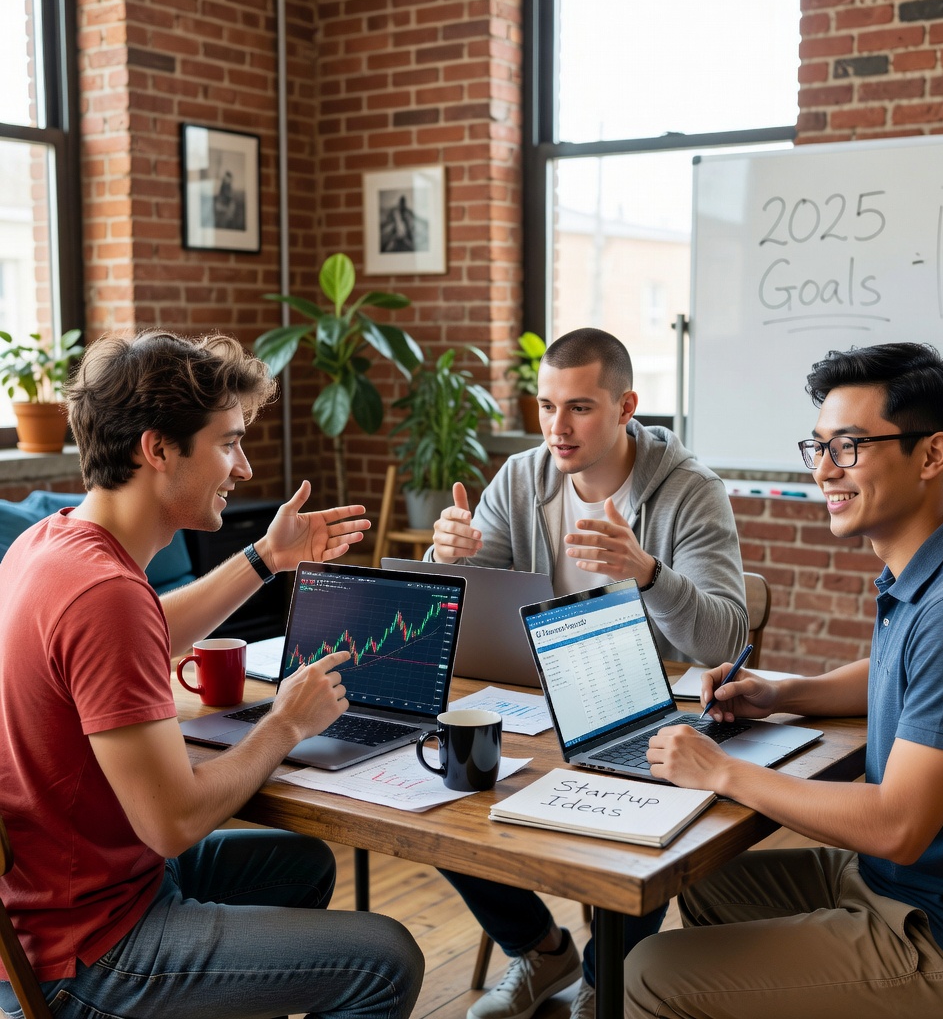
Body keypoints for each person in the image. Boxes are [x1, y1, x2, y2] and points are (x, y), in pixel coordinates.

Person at [0, 331, 424, 1019]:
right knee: (386, 961)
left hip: (70, 899)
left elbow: (146, 637)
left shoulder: (51, 544)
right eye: (227, 442)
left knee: (302, 864)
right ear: (158, 449)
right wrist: (284, 723)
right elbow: (173, 822)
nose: (246, 468)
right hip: (87, 950)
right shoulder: (102, 594)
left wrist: (264, 557)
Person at [626, 342, 943, 1019]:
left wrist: (721, 770)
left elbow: (898, 825)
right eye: (818, 448)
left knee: (649, 973)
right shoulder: (942, 568)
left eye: (849, 447)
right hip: (894, 886)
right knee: (704, 882)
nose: (824, 471)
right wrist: (785, 693)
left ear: (931, 455)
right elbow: (902, 670)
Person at [430, 327, 748, 1019]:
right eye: (546, 407)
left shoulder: (689, 491)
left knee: (647, 823)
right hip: (540, 701)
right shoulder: (524, 476)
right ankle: (543, 953)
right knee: (441, 786)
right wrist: (444, 552)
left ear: (626, 405)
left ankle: (605, 984)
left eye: (579, 408)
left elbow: (723, 633)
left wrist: (648, 573)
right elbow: (461, 600)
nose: (556, 427)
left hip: (647, 705)